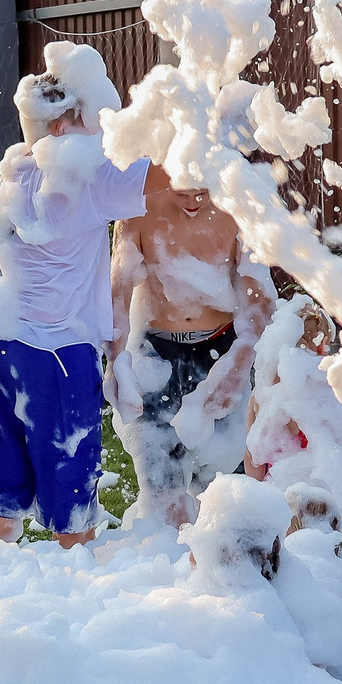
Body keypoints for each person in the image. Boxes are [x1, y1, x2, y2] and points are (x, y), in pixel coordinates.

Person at [0, 43, 150, 545]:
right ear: (64, 127)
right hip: (58, 352)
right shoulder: (86, 178)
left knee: (2, 486)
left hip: (0, 345)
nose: (100, 126)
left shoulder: (14, 172)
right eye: (91, 116)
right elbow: (162, 175)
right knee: (71, 490)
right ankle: (75, 599)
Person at [109, 167, 272, 528]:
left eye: (202, 193)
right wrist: (115, 361)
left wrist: (238, 367)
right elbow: (116, 295)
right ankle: (159, 566)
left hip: (221, 351)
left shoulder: (237, 204)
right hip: (156, 354)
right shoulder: (138, 202)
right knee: (161, 489)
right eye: (183, 194)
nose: (194, 202)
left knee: (220, 494)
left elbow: (258, 303)